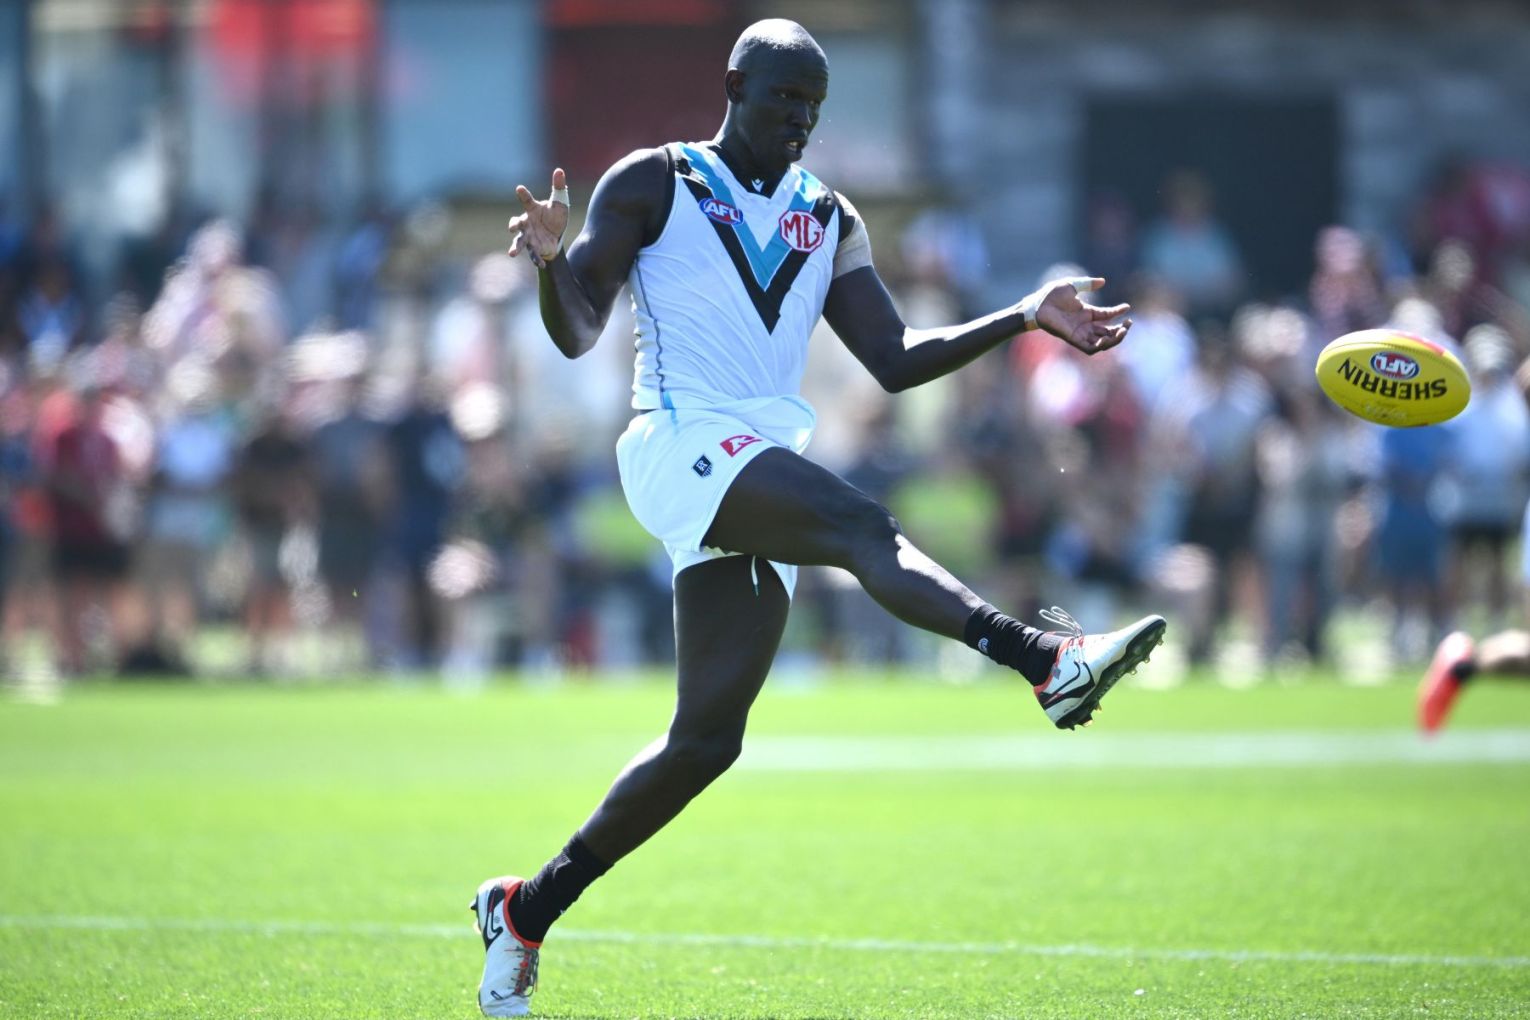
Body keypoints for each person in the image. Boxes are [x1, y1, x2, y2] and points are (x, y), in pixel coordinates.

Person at [471, 20, 1166, 1017]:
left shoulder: (827, 216)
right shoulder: (654, 181)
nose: (798, 122)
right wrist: (548, 264)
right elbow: (579, 328)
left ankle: (526, 909)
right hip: (678, 447)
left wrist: (1021, 316)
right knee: (862, 529)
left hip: (754, 467)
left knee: (707, 744)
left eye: (813, 108)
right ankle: (1045, 662)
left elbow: (893, 355)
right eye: (782, 100)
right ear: (733, 86)